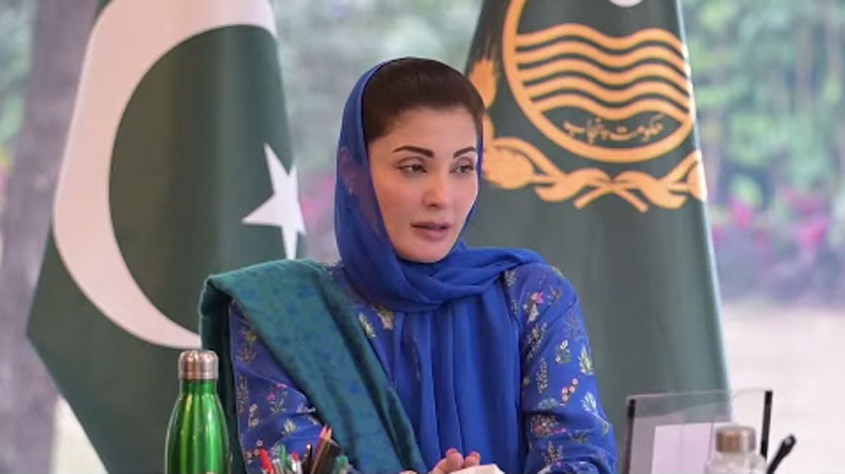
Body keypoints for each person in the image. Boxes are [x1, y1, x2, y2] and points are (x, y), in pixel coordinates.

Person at [200, 57, 617, 474]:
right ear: (352, 171)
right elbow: (287, 466)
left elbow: (584, 460)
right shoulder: (283, 316)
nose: (442, 196)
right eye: (414, 167)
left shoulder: (532, 298)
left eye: (463, 167)